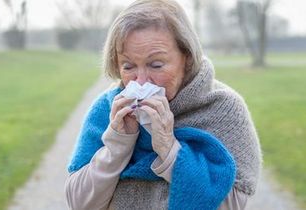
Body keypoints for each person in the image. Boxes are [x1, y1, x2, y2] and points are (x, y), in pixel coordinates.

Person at [65, 0, 262, 209]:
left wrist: (169, 150)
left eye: (156, 65)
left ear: (186, 57)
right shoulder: (106, 109)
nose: (140, 81)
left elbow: (232, 205)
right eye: (128, 66)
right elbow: (80, 203)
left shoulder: (224, 109)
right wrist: (118, 145)